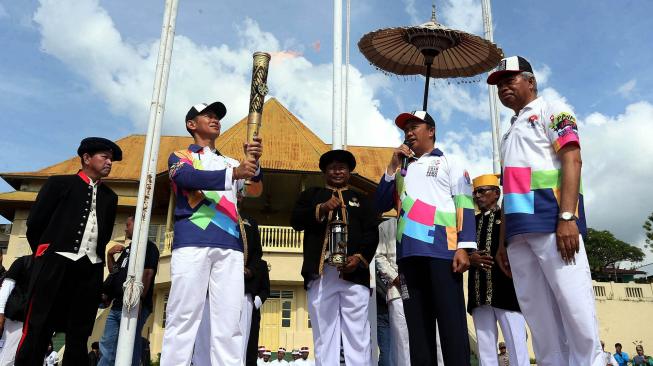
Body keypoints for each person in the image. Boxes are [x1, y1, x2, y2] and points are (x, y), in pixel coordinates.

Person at [488, 56, 602, 366]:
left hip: (554, 224)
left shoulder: (553, 110)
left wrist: (568, 217)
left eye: (509, 80)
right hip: (517, 235)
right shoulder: (508, 132)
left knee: (575, 306)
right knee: (538, 317)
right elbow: (508, 192)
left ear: (531, 81)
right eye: (499, 84)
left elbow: (572, 160)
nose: (503, 88)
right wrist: (502, 242)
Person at [160, 101, 263, 366]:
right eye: (208, 115)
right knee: (183, 316)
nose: (215, 119)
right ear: (191, 124)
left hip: (230, 244)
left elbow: (253, 191)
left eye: (217, 116)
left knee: (229, 322)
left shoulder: (229, 161)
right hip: (193, 240)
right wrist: (234, 172)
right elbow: (186, 179)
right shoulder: (181, 156)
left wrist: (255, 164)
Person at [375, 110, 476, 365]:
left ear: (431, 131)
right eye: (405, 129)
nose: (408, 132)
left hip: (442, 254)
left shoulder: (449, 162)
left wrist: (465, 247)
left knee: (451, 324)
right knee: (418, 331)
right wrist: (391, 167)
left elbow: (463, 204)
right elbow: (379, 204)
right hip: (408, 256)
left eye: (414, 127)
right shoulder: (400, 172)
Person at [17, 137, 121, 365]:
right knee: (39, 325)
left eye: (111, 159)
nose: (109, 162)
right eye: (104, 157)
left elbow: (103, 234)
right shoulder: (58, 184)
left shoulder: (110, 197)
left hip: (89, 269)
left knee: (80, 331)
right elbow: (35, 225)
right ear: (86, 158)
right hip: (54, 264)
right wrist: (45, 256)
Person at [291, 150, 379, 366]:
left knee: (357, 333)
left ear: (349, 172)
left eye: (342, 167)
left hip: (354, 274)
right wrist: (320, 208)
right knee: (324, 332)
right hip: (321, 274)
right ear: (324, 171)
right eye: (332, 167)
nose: (338, 171)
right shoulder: (311, 195)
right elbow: (295, 221)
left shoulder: (361, 199)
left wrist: (359, 258)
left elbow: (371, 233)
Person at [193, 206, 270, 366]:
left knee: (237, 345)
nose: (239, 192)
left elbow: (257, 254)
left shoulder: (250, 221)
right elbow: (195, 243)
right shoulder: (205, 211)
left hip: (242, 289)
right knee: (205, 342)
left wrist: (251, 271)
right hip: (210, 288)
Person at [467, 174, 529, 366]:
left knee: (516, 344)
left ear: (496, 193)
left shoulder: (509, 219)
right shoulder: (470, 223)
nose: (477, 196)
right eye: (475, 192)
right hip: (479, 292)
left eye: (481, 191)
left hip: (506, 290)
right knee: (485, 350)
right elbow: (459, 252)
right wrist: (470, 258)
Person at [98, 215, 160, 366]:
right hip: (118, 304)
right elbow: (115, 272)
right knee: (107, 344)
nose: (125, 228)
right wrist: (109, 255)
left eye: (128, 225)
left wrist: (138, 300)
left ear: (138, 225)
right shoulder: (127, 249)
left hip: (134, 304)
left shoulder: (149, 247)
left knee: (130, 345)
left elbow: (148, 273)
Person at [0, 255, 33, 366]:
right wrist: (0, 312)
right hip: (17, 319)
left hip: (39, 320)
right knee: (9, 357)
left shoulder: (54, 264)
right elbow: (7, 287)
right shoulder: (24, 262)